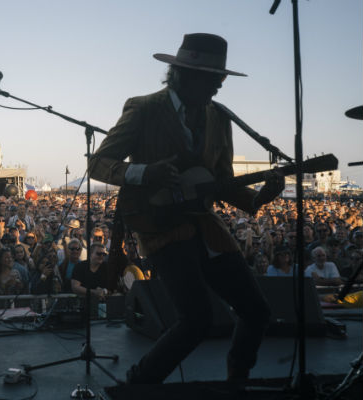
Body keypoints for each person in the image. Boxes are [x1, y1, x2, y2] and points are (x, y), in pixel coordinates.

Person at [88, 33, 281, 384]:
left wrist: (259, 198)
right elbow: (99, 164)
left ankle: (237, 381)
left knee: (256, 310)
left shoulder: (220, 118)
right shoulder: (144, 108)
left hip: (204, 225)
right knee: (196, 320)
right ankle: (139, 383)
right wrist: (146, 173)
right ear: (182, 75)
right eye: (212, 78)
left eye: (220, 78)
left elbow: (222, 180)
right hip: (160, 224)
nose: (218, 87)